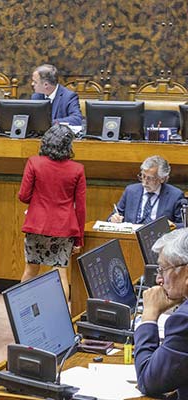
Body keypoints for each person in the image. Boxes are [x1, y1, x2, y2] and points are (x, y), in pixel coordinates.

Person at [18, 124, 86, 300]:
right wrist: (79, 239)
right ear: (68, 145)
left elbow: (23, 196)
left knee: (30, 270)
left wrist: (38, 200)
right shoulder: (77, 169)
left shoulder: (34, 162)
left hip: (36, 226)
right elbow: (81, 207)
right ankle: (61, 319)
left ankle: (21, 315)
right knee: (60, 274)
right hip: (63, 229)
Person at [134, 228, 188, 398]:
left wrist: (149, 315)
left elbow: (148, 382)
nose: (158, 279)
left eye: (163, 269)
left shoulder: (184, 320)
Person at [109, 155, 185, 227]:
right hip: (131, 237)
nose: (145, 182)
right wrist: (113, 219)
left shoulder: (175, 195)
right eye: (143, 176)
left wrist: (169, 226)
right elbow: (115, 215)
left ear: (162, 179)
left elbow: (184, 226)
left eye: (150, 178)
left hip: (160, 239)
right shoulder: (130, 191)